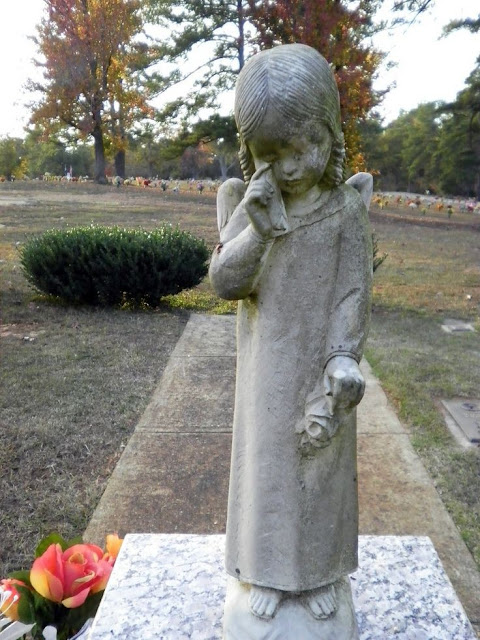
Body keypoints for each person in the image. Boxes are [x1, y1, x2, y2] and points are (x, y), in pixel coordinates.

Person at [209, 43, 372, 625]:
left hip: (323, 367)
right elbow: (225, 282)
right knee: (268, 472)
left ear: (328, 134)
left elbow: (352, 291)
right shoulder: (253, 205)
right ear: (253, 155)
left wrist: (342, 359)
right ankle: (268, 571)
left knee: (321, 475)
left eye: (303, 146)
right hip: (266, 370)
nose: (292, 165)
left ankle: (321, 571)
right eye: (271, 154)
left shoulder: (346, 210)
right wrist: (258, 231)